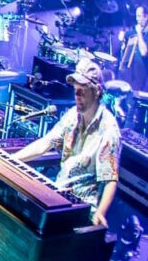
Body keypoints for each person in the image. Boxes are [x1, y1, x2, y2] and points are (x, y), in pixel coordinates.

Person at [13, 58, 121, 227]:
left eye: (82, 91)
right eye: (75, 90)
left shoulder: (108, 129)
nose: (76, 96)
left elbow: (110, 179)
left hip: (82, 207)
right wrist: (12, 160)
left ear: (97, 91)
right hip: (59, 193)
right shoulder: (72, 115)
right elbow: (45, 143)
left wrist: (100, 213)